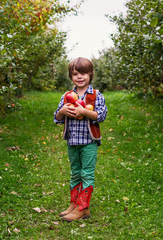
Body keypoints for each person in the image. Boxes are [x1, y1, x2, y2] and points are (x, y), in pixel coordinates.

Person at [54, 57, 108, 221]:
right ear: (71, 76)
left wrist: (84, 112)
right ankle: (74, 204)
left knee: (87, 173)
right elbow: (57, 118)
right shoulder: (67, 96)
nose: (79, 77)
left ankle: (83, 208)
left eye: (83, 73)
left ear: (90, 75)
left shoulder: (95, 95)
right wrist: (63, 111)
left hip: (89, 142)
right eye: (75, 73)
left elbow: (101, 116)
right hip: (73, 142)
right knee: (75, 173)